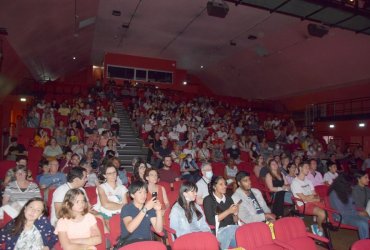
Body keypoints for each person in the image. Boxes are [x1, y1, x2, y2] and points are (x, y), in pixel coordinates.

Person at [120, 181, 163, 245]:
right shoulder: (126, 208)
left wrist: (158, 211)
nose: (144, 195)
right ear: (132, 195)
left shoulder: (149, 208)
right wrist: (145, 209)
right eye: (140, 192)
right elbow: (130, 229)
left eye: (145, 192)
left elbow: (159, 230)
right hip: (130, 243)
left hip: (147, 242)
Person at [328, 174, 369, 239]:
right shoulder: (334, 194)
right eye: (349, 184)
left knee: (367, 220)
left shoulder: (346, 190)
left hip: (351, 214)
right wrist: (358, 213)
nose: (351, 186)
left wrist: (359, 212)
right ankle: (365, 245)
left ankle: (367, 241)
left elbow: (352, 205)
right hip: (340, 217)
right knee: (363, 223)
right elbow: (342, 212)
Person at [291, 162, 326, 236]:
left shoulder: (308, 181)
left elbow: (315, 195)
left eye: (308, 168)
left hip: (311, 202)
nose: (308, 169)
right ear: (300, 168)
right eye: (306, 167)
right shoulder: (295, 182)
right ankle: (319, 226)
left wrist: (312, 197)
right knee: (322, 214)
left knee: (326, 207)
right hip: (303, 205)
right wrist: (313, 198)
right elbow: (304, 198)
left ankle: (319, 222)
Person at [203, 176, 239, 250]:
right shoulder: (208, 200)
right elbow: (211, 221)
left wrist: (235, 213)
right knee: (243, 238)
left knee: (245, 234)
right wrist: (228, 211)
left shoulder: (228, 198)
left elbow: (235, 221)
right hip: (221, 231)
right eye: (221, 184)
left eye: (225, 184)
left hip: (233, 229)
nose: (225, 186)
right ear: (214, 186)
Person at [94, 164, 128, 228]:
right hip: (105, 215)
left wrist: (112, 204)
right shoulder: (101, 187)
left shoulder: (122, 188)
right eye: (109, 173)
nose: (113, 175)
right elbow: (106, 205)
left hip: (119, 215)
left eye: (114, 172)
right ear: (105, 175)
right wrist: (121, 205)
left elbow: (125, 207)